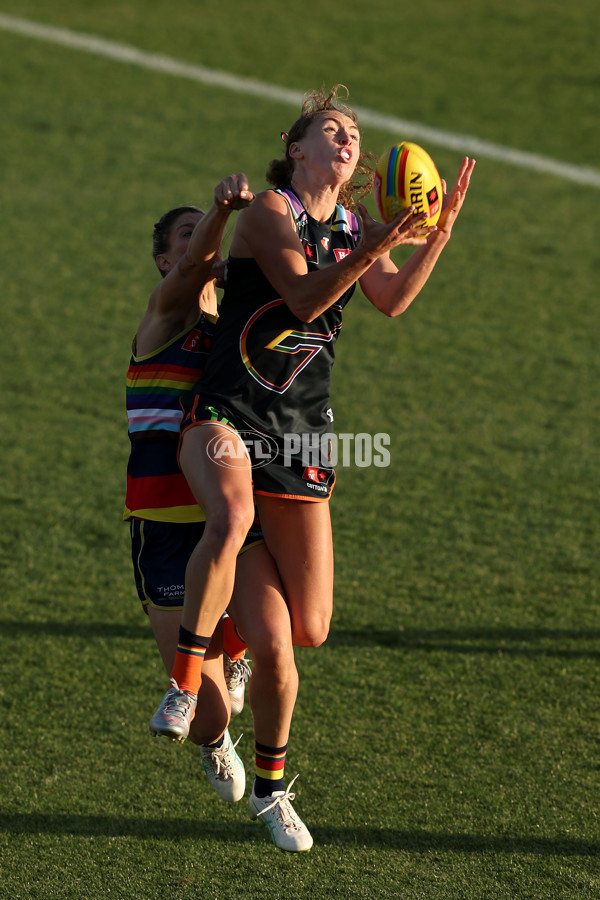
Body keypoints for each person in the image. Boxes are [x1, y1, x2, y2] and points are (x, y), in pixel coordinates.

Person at [150, 85, 475, 846]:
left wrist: (436, 236)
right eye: (331, 129)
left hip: (303, 442)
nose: (347, 140)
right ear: (297, 149)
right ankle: (183, 684)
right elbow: (301, 299)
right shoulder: (270, 212)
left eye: (354, 134)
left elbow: (388, 300)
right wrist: (371, 246)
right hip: (228, 415)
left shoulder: (359, 224)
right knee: (230, 515)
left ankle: (242, 704)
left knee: (307, 630)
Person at [126, 177, 307, 845]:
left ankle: (237, 657)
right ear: (166, 260)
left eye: (207, 232)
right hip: (165, 531)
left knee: (277, 627)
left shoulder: (236, 332)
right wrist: (225, 212)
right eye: (187, 235)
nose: (203, 243)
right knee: (205, 718)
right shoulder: (165, 314)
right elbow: (203, 263)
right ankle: (213, 737)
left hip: (232, 516)